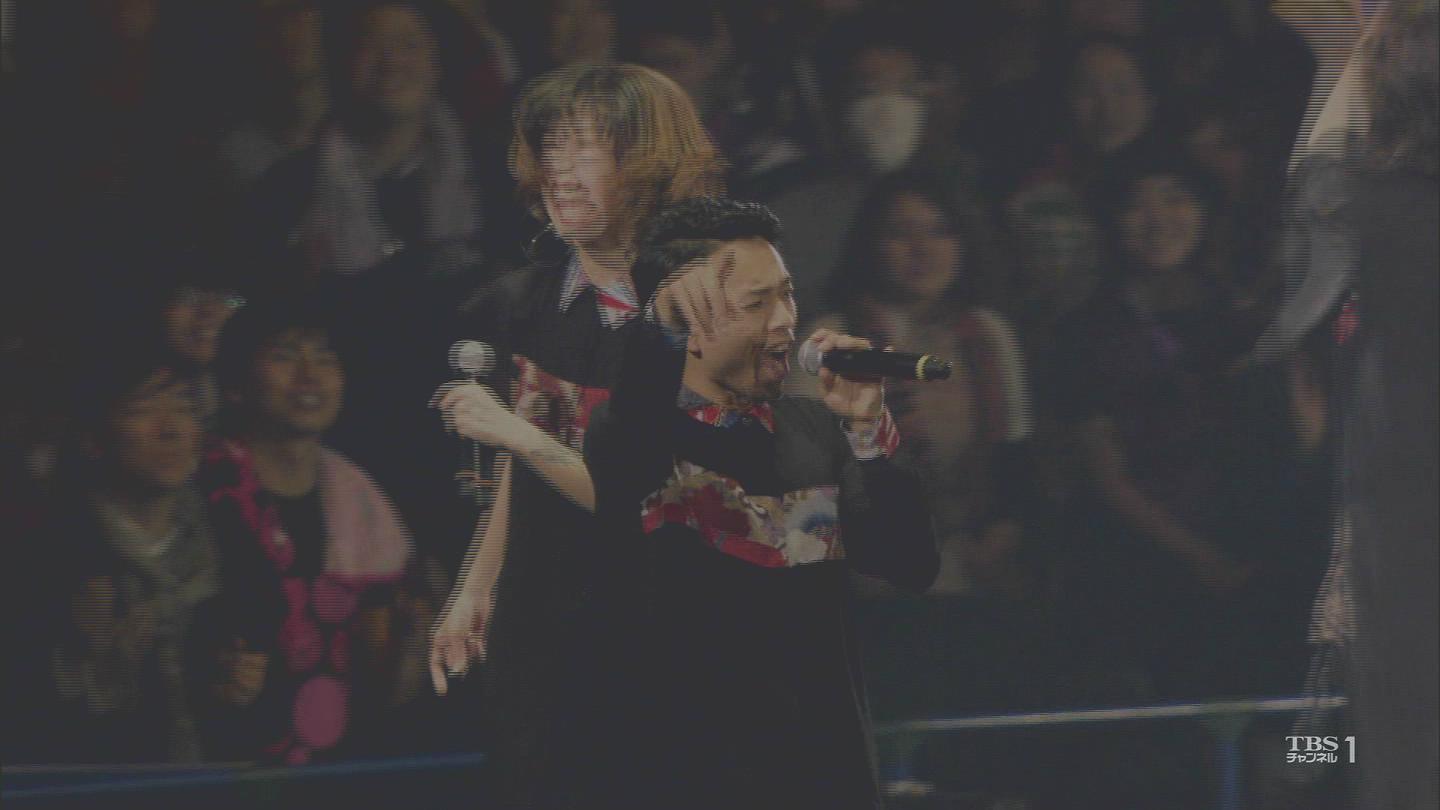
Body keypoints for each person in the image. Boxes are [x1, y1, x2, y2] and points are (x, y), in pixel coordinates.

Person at [427, 62, 722, 808]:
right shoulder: (524, 303)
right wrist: (475, 587)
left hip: (659, 627)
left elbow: (650, 493)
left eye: (587, 147)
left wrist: (513, 431)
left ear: (649, 162)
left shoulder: (703, 306)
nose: (561, 170)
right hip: (542, 630)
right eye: (552, 146)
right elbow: (522, 459)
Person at [579, 196, 938, 809]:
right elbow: (633, 432)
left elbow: (910, 563)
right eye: (756, 304)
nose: (784, 322)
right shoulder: (633, 433)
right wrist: (660, 327)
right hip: (690, 780)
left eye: (787, 296)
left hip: (825, 777)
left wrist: (868, 434)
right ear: (686, 322)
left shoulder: (814, 431)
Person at [1262, 2, 1438, 806]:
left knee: (1367, 738)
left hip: (1394, 533)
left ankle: (1308, 770)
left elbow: (1319, 173)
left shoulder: (1375, 213)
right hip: (1381, 524)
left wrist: (1360, 48)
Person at [193, 295, 439, 764]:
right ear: (235, 386)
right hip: (222, 769)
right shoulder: (201, 489)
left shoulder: (362, 497)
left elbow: (391, 676)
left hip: (345, 768)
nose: (309, 375)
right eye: (284, 356)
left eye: (324, 357)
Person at [790, 170, 1030, 592]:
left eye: (940, 231)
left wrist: (1004, 530)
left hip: (978, 560)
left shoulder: (988, 333)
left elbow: (1014, 450)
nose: (923, 250)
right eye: (900, 233)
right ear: (871, 244)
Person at [4, 343, 219, 764]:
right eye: (143, 410)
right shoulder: (51, 560)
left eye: (183, 408)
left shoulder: (227, 540)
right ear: (92, 439)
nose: (171, 429)